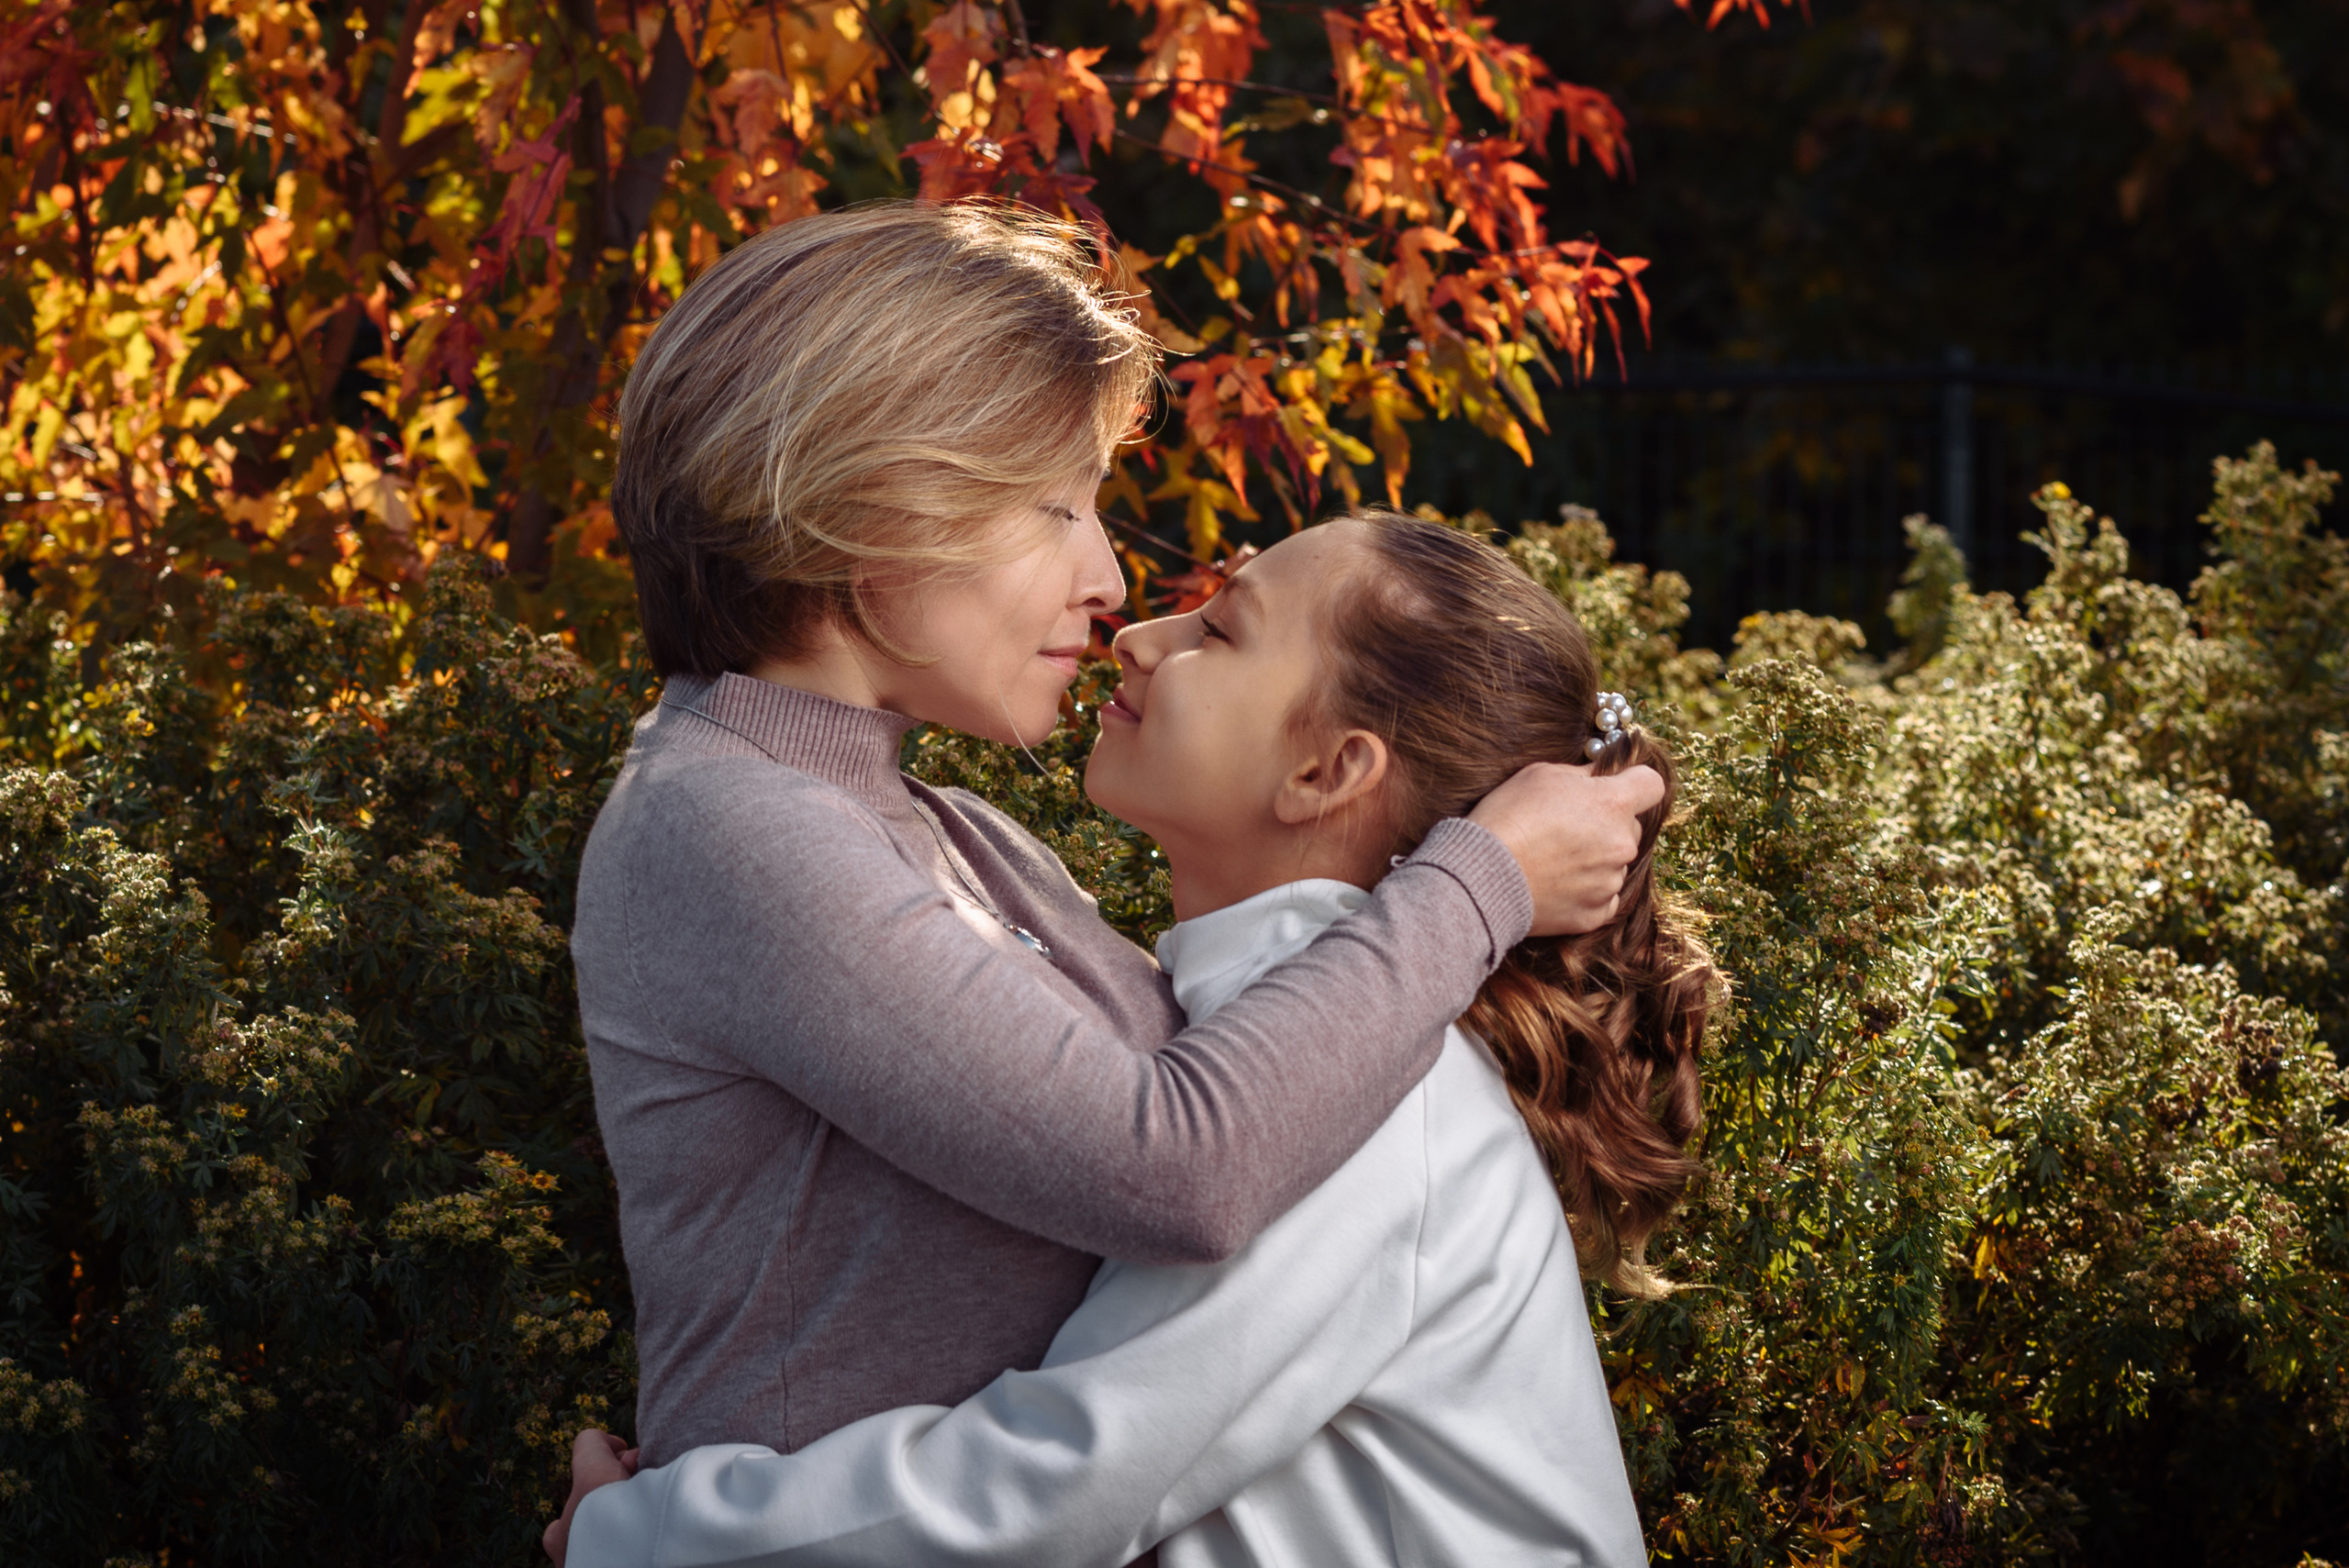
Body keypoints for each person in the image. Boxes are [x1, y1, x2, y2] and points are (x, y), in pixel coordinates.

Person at [560, 200, 1664, 1561]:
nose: (1112, 582)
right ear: (876, 502)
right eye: (1057, 506)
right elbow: (1181, 1163)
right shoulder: (733, 827)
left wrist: (656, 1538)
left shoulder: (954, 836)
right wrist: (1482, 875)